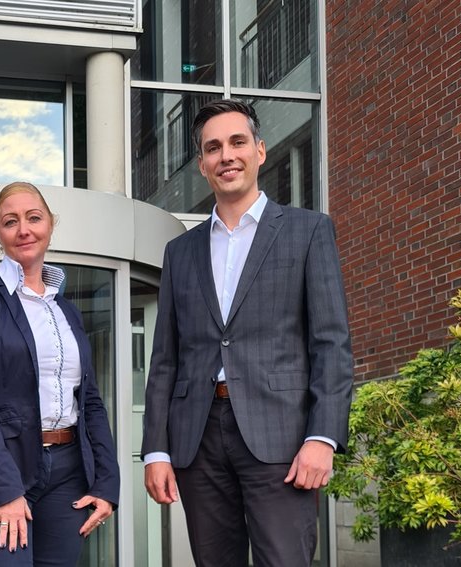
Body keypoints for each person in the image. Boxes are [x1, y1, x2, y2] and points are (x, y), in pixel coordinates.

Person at [141, 99, 354, 567]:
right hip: (198, 438)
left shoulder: (308, 231)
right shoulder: (180, 252)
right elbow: (165, 359)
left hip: (281, 437)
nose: (226, 155)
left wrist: (322, 436)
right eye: (213, 148)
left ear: (259, 150)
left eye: (237, 142)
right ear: (202, 165)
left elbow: (331, 344)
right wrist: (155, 448)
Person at [0, 182, 120, 566]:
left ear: (51, 224)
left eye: (33, 218)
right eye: (10, 221)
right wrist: (5, 490)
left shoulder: (66, 311)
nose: (23, 229)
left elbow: (89, 401)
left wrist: (107, 482)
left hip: (68, 474)